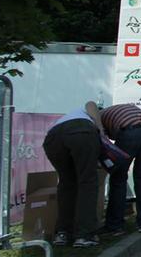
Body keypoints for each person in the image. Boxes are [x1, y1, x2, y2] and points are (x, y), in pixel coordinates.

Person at [43, 102, 104, 247]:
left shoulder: (68, 116)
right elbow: (91, 104)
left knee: (67, 183)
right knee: (87, 182)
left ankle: (63, 233)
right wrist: (101, 130)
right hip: (80, 132)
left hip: (53, 138)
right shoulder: (91, 112)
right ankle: (84, 235)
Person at [97, 102, 141, 235]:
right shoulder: (118, 110)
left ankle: (115, 225)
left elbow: (104, 142)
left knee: (118, 178)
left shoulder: (99, 117)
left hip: (129, 131)